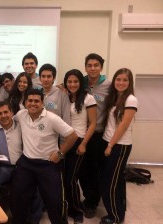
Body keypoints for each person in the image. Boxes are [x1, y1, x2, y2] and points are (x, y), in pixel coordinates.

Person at [11, 89, 78, 224]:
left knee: (55, 201)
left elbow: (73, 136)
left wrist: (60, 153)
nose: (33, 104)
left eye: (37, 101)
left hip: (48, 165)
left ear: (42, 103)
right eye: (30, 101)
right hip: (27, 163)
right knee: (18, 197)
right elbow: (7, 120)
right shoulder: (21, 115)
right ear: (25, 103)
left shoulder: (52, 118)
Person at [99, 68, 138, 224]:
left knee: (111, 182)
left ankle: (114, 216)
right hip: (108, 141)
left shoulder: (131, 100)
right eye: (118, 79)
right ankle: (120, 210)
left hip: (119, 146)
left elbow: (123, 125)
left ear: (129, 83)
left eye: (125, 80)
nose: (121, 83)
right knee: (117, 179)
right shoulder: (114, 97)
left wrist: (110, 145)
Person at [79, 53, 111, 218]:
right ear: (85, 67)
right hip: (80, 133)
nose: (92, 68)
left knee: (94, 170)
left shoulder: (109, 85)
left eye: (96, 65)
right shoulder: (80, 82)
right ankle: (87, 197)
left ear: (101, 67)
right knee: (81, 170)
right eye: (89, 65)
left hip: (98, 135)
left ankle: (92, 202)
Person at [63, 69, 97, 224]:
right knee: (63, 178)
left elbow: (93, 123)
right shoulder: (64, 96)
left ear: (81, 82)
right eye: (69, 81)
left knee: (71, 179)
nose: (72, 84)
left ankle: (76, 211)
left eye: (75, 81)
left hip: (78, 141)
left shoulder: (88, 98)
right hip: (64, 141)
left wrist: (83, 144)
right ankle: (66, 206)